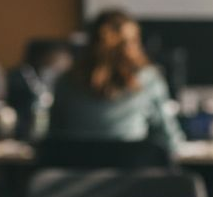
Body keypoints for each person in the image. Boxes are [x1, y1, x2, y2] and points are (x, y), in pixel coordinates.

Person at [47, 9, 184, 155]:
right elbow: (169, 141)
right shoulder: (148, 80)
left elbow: (53, 137)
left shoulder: (66, 81)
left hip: (74, 174)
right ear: (134, 42)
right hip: (131, 173)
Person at [6, 38, 72, 141]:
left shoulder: (60, 79)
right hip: (23, 132)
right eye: (62, 56)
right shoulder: (20, 76)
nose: (68, 60)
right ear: (45, 57)